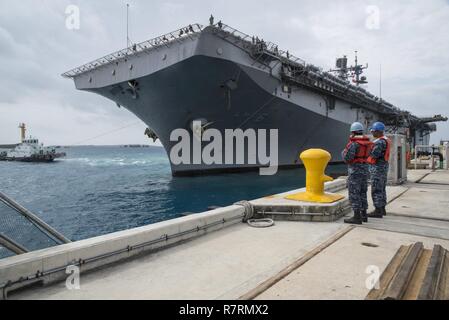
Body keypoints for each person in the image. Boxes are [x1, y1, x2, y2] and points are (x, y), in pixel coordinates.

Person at [342, 122, 372, 224]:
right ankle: (364, 215)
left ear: (353, 132)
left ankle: (356, 217)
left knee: (354, 193)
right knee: (363, 192)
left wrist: (343, 152)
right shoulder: (367, 143)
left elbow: (347, 158)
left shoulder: (354, 144)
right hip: (365, 170)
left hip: (355, 171)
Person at [367, 122, 390, 218]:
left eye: (373, 131)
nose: (372, 133)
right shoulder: (386, 140)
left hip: (377, 168)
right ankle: (382, 209)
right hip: (383, 168)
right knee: (382, 189)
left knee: (376, 189)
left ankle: (378, 210)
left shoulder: (379, 142)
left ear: (378, 131)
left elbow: (374, 155)